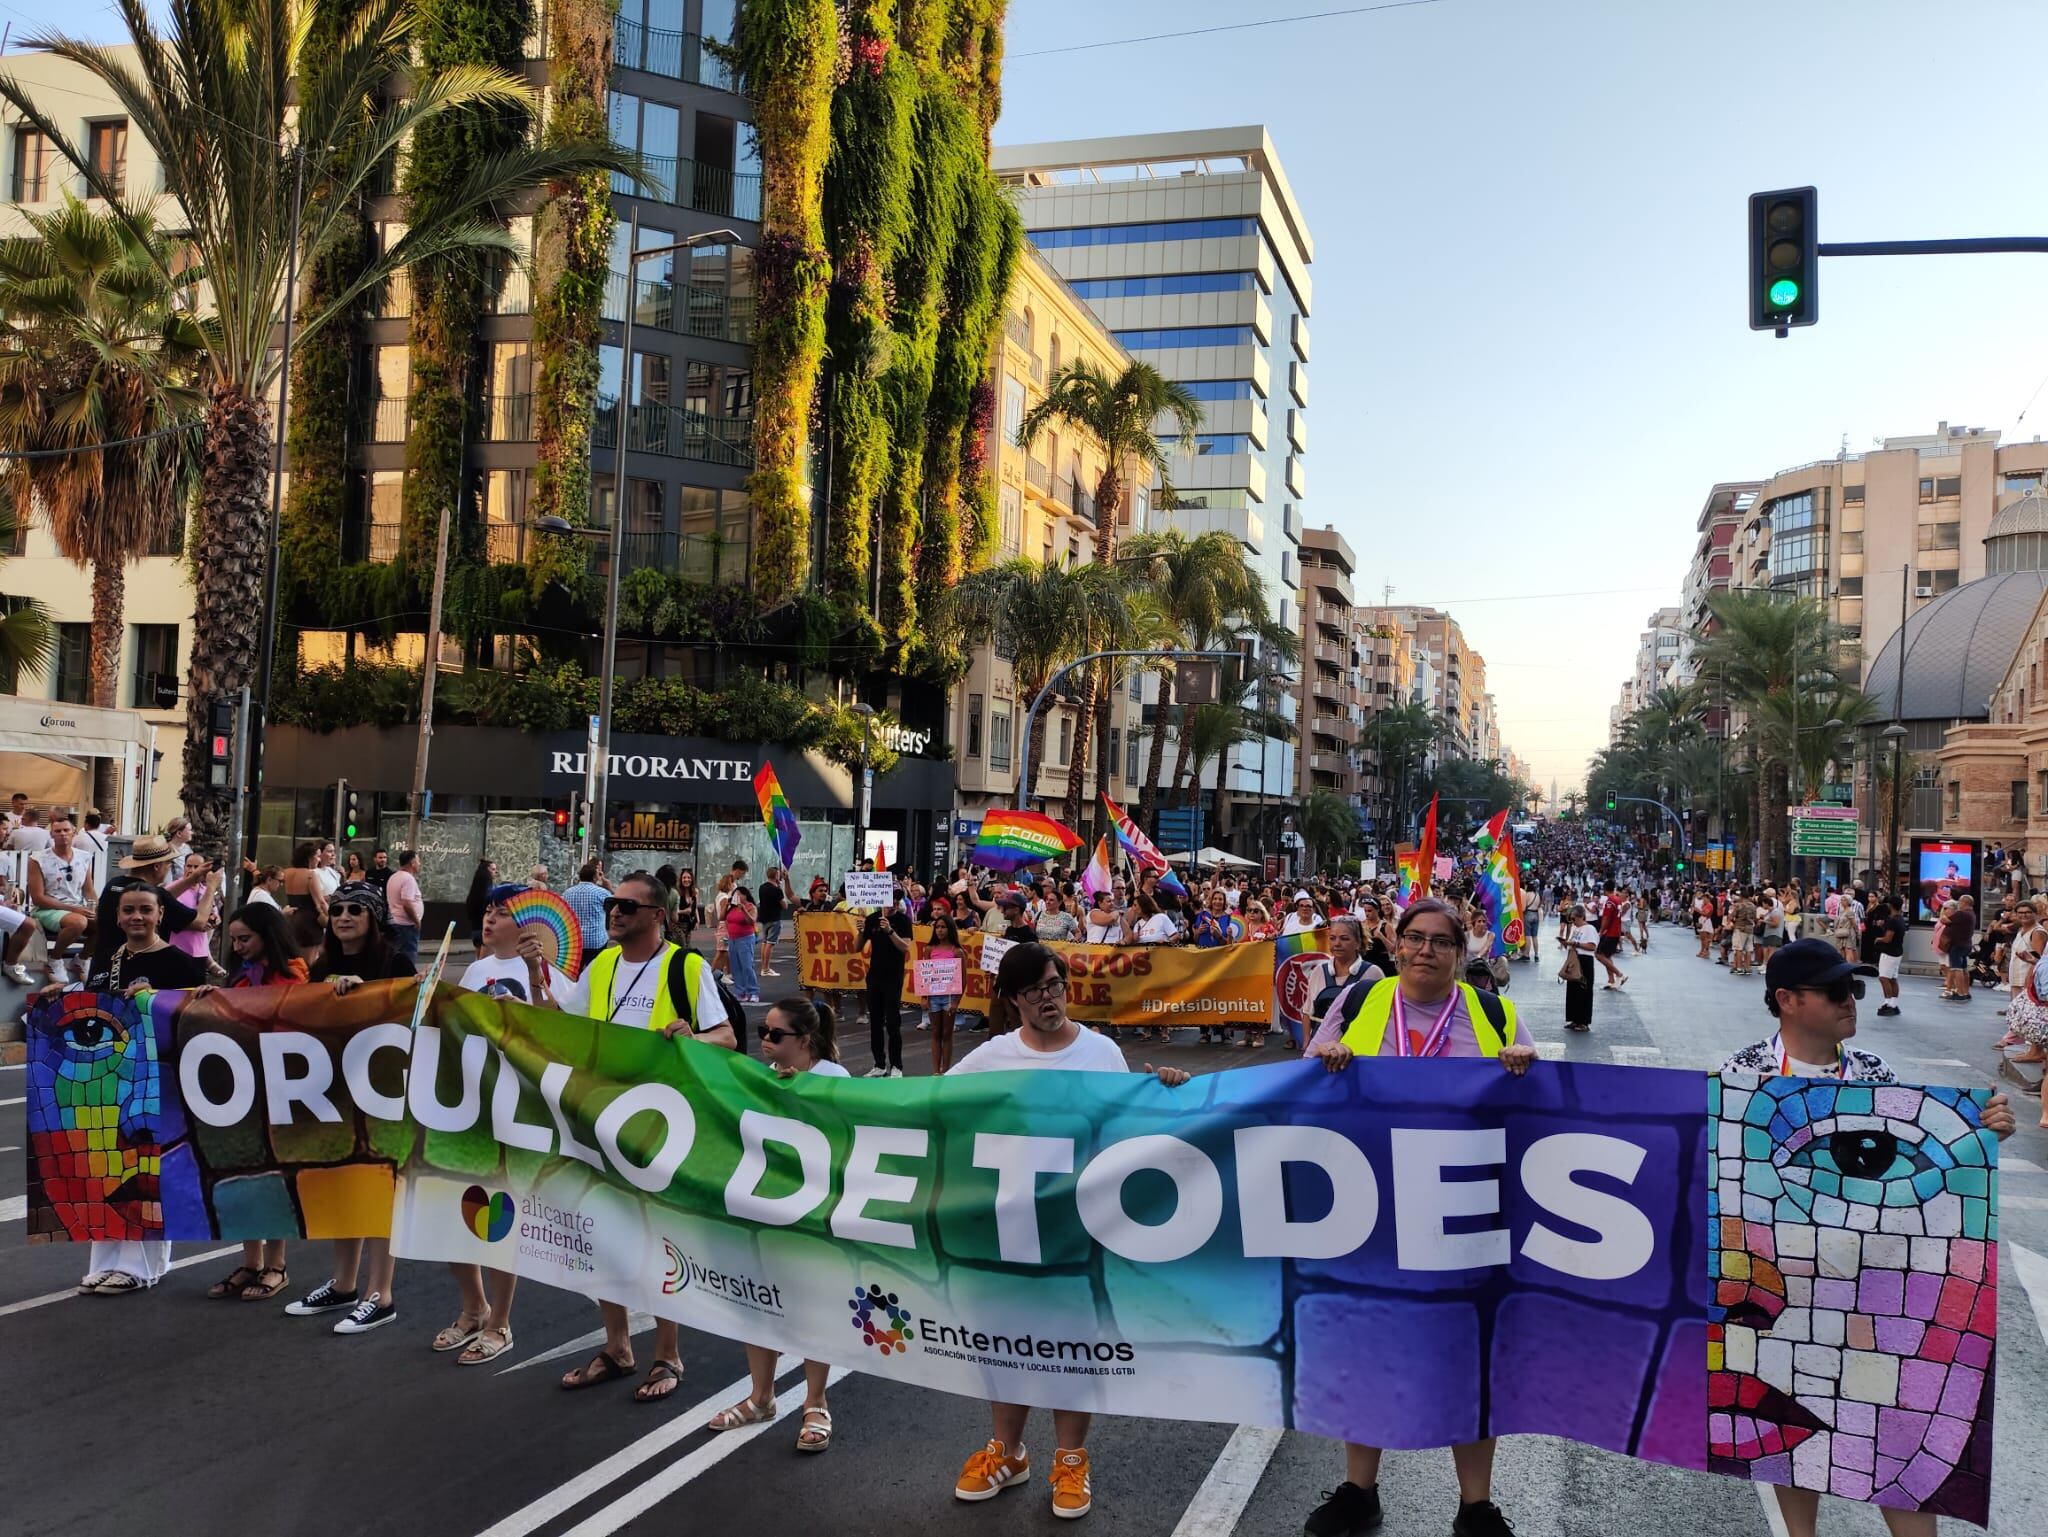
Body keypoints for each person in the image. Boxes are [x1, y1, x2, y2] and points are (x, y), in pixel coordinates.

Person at [1724, 937, 2016, 1537]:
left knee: (1897, 1425)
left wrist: (1982, 1137)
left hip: (1876, 1283)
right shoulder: (1740, 1076)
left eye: (1852, 988)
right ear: (1786, 1000)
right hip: (1787, 1285)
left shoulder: (1877, 1075)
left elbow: (1922, 1162)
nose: (1851, 1000)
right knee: (1793, 1415)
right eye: (1835, 991)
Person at [1302, 897, 1535, 1537]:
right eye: (1415, 938)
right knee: (1368, 1343)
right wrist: (1327, 1067)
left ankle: (1476, 1504)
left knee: (1469, 1349)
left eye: (1441, 941)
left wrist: (1522, 1071)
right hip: (1371, 1206)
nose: (1426, 950)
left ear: (1461, 954)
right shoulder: (1356, 1007)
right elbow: (1297, 1091)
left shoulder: (1494, 1013)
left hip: (1465, 1208)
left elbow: (1542, 1109)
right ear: (1395, 945)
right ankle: (1358, 1491)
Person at [949, 943, 1192, 1520]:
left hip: (1078, 1232)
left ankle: (1071, 1459)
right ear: (1012, 1001)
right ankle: (1007, 1453)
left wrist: (1165, 1087)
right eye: (1033, 991)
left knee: (1070, 1346)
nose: (1048, 999)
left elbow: (1132, 1126)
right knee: (1004, 1342)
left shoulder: (1101, 1053)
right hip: (1009, 1232)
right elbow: (923, 1105)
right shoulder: (992, 1057)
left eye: (1055, 985)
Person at [548, 872, 735, 1404]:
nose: (615, 912)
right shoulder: (601, 964)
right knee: (603, 1233)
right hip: (601, 1121)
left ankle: (667, 1353)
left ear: (657, 915)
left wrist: (691, 1036)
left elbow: (726, 1037)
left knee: (659, 1241)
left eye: (628, 906)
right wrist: (535, 979)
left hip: (662, 1129)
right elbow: (565, 1025)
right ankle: (618, 1347)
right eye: (612, 904)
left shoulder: (686, 967)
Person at [706, 997, 844, 1451]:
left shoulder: (834, 1078)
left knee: (811, 1306)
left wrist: (799, 1093)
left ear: (805, 1040)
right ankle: (760, 1397)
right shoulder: (760, 1077)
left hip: (812, 1213)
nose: (764, 1042)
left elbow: (848, 1133)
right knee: (758, 1300)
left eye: (775, 1035)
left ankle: (816, 1402)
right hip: (762, 1208)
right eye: (762, 1032)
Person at [283, 884, 418, 1336]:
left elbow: (413, 1008)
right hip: (335, 1088)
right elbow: (300, 1011)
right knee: (344, 1183)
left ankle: (381, 1294)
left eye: (355, 910)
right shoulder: (324, 962)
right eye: (337, 909)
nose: (343, 917)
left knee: (380, 1187)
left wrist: (368, 993)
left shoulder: (394, 961)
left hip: (382, 1088)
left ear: (373, 918)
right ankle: (343, 1284)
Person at [65, 883, 211, 1298]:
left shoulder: (181, 962)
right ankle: (106, 1259)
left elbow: (192, 1018)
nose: (137, 917)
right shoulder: (108, 959)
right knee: (110, 1165)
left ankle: (142, 1265)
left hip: (158, 1078)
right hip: (111, 1073)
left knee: (146, 1168)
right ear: (117, 916)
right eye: (128, 910)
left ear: (161, 914)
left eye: (146, 909)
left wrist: (160, 1000)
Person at [441, 884, 552, 1366]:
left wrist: (534, 976)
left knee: (499, 1212)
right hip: (470, 1102)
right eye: (487, 911)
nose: (489, 920)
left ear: (525, 923)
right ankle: (473, 1307)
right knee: (455, 1208)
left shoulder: (549, 972)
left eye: (502, 913)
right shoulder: (477, 969)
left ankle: (502, 1322)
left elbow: (559, 1031)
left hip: (517, 1107)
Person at [198, 902, 308, 1302]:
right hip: (241, 1093)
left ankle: (276, 1265)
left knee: (275, 1179)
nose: (239, 945)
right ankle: (251, 1262)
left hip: (281, 1092)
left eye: (246, 938)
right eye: (236, 939)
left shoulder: (293, 974)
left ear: (268, 935)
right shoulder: (241, 980)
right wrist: (212, 999)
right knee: (242, 1177)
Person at [1302, 916, 1383, 1054]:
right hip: (1321, 1052)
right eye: (1332, 938)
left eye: (1344, 938)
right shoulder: (1318, 971)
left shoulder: (1373, 974)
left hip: (1357, 1051)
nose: (1337, 943)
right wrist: (1306, 1041)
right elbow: (1307, 1011)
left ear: (1358, 943)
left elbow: (1380, 1019)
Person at [28, 812, 97, 955]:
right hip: (47, 910)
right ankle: (55, 959)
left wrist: (96, 908)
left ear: (74, 833)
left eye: (66, 830)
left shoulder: (84, 857)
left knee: (106, 921)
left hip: (76, 907)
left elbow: (88, 890)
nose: (62, 834)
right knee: (78, 922)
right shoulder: (38, 859)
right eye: (58, 831)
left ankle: (82, 960)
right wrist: (73, 909)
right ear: (51, 835)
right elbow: (38, 898)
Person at [861, 891, 913, 1077]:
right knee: (875, 1022)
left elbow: (905, 947)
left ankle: (896, 1065)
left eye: (897, 900)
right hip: (875, 976)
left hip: (893, 977)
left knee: (892, 1023)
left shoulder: (903, 921)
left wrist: (889, 931)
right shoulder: (872, 919)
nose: (895, 903)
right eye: (892, 899)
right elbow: (857, 946)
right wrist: (861, 931)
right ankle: (879, 1064)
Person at [916, 909, 966, 1074]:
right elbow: (925, 974)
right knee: (936, 1032)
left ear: (950, 929)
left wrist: (956, 1001)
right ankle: (935, 1070)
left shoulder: (957, 951)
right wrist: (924, 997)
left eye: (943, 927)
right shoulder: (929, 949)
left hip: (949, 997)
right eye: (937, 927)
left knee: (947, 1033)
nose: (940, 930)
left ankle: (946, 1069)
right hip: (933, 997)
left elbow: (962, 978)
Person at [282, 840, 331, 957]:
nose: (319, 860)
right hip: (310, 922)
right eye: (318, 856)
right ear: (309, 857)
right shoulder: (310, 875)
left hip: (292, 919)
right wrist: (332, 918)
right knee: (309, 962)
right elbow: (320, 902)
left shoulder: (287, 872)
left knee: (294, 959)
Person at [561, 859, 612, 953]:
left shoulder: (567, 893)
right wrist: (609, 887)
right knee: (595, 967)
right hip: (596, 940)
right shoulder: (602, 893)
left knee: (576, 967)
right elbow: (615, 906)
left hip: (574, 940)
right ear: (594, 877)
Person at [384, 848, 425, 966]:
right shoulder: (408, 879)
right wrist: (416, 921)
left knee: (396, 957)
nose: (419, 864)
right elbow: (406, 903)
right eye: (418, 861)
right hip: (406, 926)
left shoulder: (394, 877)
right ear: (412, 863)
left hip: (395, 923)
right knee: (408, 958)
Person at [724, 876, 761, 1003]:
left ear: (745, 896)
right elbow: (722, 917)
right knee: (736, 967)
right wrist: (727, 904)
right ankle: (741, 992)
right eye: (735, 894)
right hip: (733, 939)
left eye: (739, 894)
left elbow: (752, 921)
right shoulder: (732, 908)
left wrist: (743, 909)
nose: (737, 896)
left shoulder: (751, 907)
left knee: (746, 965)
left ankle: (753, 991)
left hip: (745, 939)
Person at [1562, 903, 1598, 1032]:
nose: (1573, 922)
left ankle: (1583, 1021)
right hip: (1574, 958)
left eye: (1575, 919)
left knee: (1584, 990)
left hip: (1585, 960)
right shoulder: (1575, 928)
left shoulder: (1589, 929)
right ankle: (1573, 1018)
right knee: (1572, 990)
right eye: (1571, 919)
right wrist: (1566, 943)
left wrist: (1576, 944)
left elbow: (1592, 946)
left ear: (1581, 917)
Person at [757, 866, 791, 975]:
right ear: (776, 875)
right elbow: (785, 905)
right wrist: (781, 890)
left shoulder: (762, 887)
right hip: (774, 918)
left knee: (765, 942)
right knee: (770, 943)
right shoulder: (776, 890)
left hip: (764, 918)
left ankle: (763, 967)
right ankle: (766, 968)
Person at [1942, 893, 1977, 1002]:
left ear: (1964, 902)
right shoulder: (1971, 914)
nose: (1958, 904)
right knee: (1963, 968)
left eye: (1960, 902)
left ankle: (1960, 992)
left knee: (1956, 968)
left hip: (1957, 945)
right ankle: (1966, 992)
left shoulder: (1962, 914)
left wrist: (1943, 915)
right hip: (1966, 944)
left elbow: (1945, 920)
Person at [1594, 884, 1628, 988]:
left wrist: (1601, 930)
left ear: (1604, 890)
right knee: (1607, 956)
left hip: (1610, 932)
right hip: (1616, 932)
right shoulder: (1617, 900)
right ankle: (1611, 980)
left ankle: (1620, 974)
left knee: (1598, 954)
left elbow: (1607, 918)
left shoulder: (1610, 901)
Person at [464, 857, 496, 949]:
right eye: (493, 869)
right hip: (482, 927)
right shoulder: (487, 884)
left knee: (478, 952)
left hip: (475, 926)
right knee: (483, 953)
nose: (495, 872)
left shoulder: (475, 889)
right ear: (487, 870)